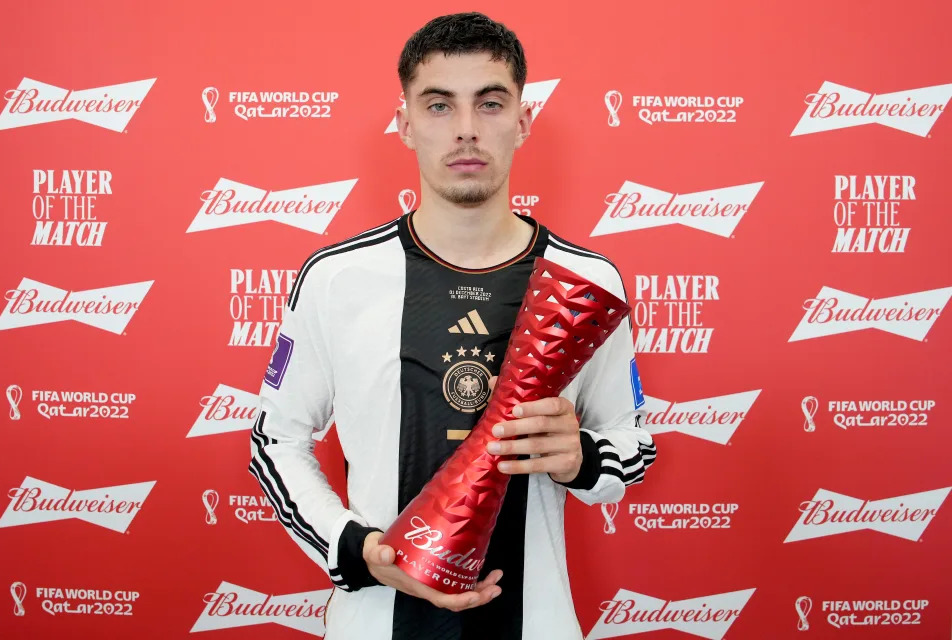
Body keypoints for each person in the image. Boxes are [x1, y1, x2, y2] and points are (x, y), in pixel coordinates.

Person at [249, 12, 656, 640]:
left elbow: (632, 446)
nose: (467, 130)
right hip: (374, 622)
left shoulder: (587, 283)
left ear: (523, 121)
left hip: (537, 621)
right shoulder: (337, 277)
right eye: (439, 106)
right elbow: (275, 442)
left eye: (490, 104)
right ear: (405, 124)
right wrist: (362, 552)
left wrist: (581, 460)